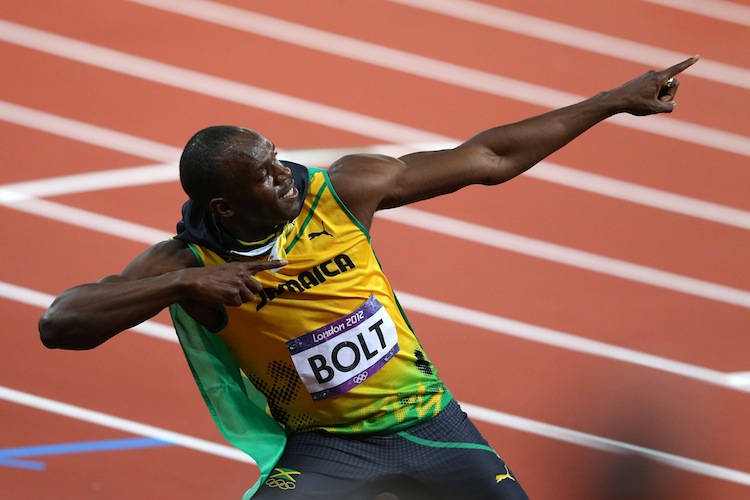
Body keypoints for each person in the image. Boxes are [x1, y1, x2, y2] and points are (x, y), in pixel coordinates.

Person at [38, 55, 699, 499]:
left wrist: (614, 100)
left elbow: (489, 157)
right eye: (267, 176)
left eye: (278, 158)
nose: (287, 175)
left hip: (430, 423)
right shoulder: (186, 263)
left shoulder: (341, 191)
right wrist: (181, 288)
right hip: (326, 449)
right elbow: (60, 322)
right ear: (223, 207)